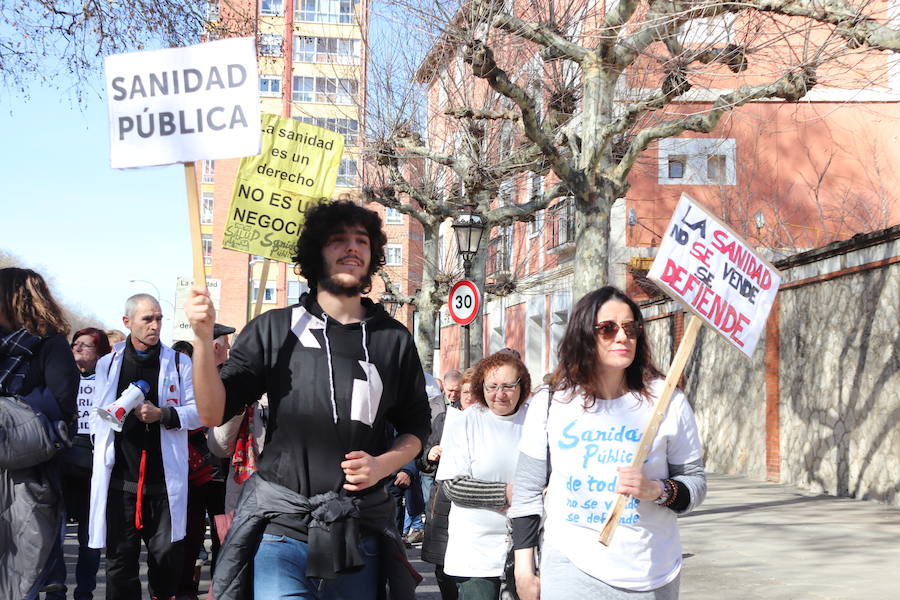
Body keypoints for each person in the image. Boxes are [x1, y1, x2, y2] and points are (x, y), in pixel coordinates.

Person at [185, 201, 432, 600]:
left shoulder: (394, 338)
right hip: (281, 533)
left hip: (358, 532)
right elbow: (213, 411)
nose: (352, 248)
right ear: (316, 252)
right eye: (338, 240)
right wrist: (200, 338)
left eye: (361, 240)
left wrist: (382, 464)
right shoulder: (274, 329)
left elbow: (416, 425)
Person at [510, 286, 707, 600]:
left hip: (651, 572)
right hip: (571, 565)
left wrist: (658, 490)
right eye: (608, 328)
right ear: (583, 335)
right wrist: (524, 568)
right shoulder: (551, 402)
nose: (622, 337)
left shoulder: (668, 401)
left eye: (631, 328)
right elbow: (526, 490)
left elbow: (695, 483)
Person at [88, 294, 202, 600]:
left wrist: (163, 414)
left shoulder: (180, 362)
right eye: (147, 319)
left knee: (166, 562)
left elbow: (199, 412)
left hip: (164, 484)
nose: (155, 325)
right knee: (119, 565)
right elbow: (97, 418)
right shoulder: (108, 364)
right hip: (120, 482)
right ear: (127, 322)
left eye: (159, 318)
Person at [0, 267, 80, 600]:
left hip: (30, 478)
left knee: (22, 576)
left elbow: (60, 406)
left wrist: (9, 407)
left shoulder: (52, 346)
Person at [436, 352, 531, 600]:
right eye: (492, 386)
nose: (500, 394)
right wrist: (506, 493)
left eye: (508, 386)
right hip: (476, 546)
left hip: (527, 545)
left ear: (522, 386)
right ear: (482, 387)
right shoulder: (466, 422)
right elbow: (453, 485)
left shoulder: (536, 421)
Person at [46, 328, 112, 600]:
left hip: (93, 465)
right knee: (55, 532)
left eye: (86, 346)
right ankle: (55, 586)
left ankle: (85, 590)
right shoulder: (61, 377)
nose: (77, 350)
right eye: (75, 345)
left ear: (100, 353)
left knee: (89, 533)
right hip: (62, 462)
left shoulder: (109, 382)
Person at [175, 325, 232, 600]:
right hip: (195, 470)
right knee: (190, 535)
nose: (229, 349)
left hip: (222, 471)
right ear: (215, 347)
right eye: (226, 344)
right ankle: (187, 589)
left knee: (225, 535)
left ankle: (218, 590)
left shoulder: (232, 376)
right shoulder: (190, 375)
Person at [418, 367, 477, 600]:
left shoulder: (492, 421)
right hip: (443, 500)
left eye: (474, 392)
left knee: (472, 570)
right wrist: (430, 454)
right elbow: (423, 458)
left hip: (475, 502)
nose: (469, 397)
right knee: (443, 568)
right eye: (465, 393)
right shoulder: (445, 420)